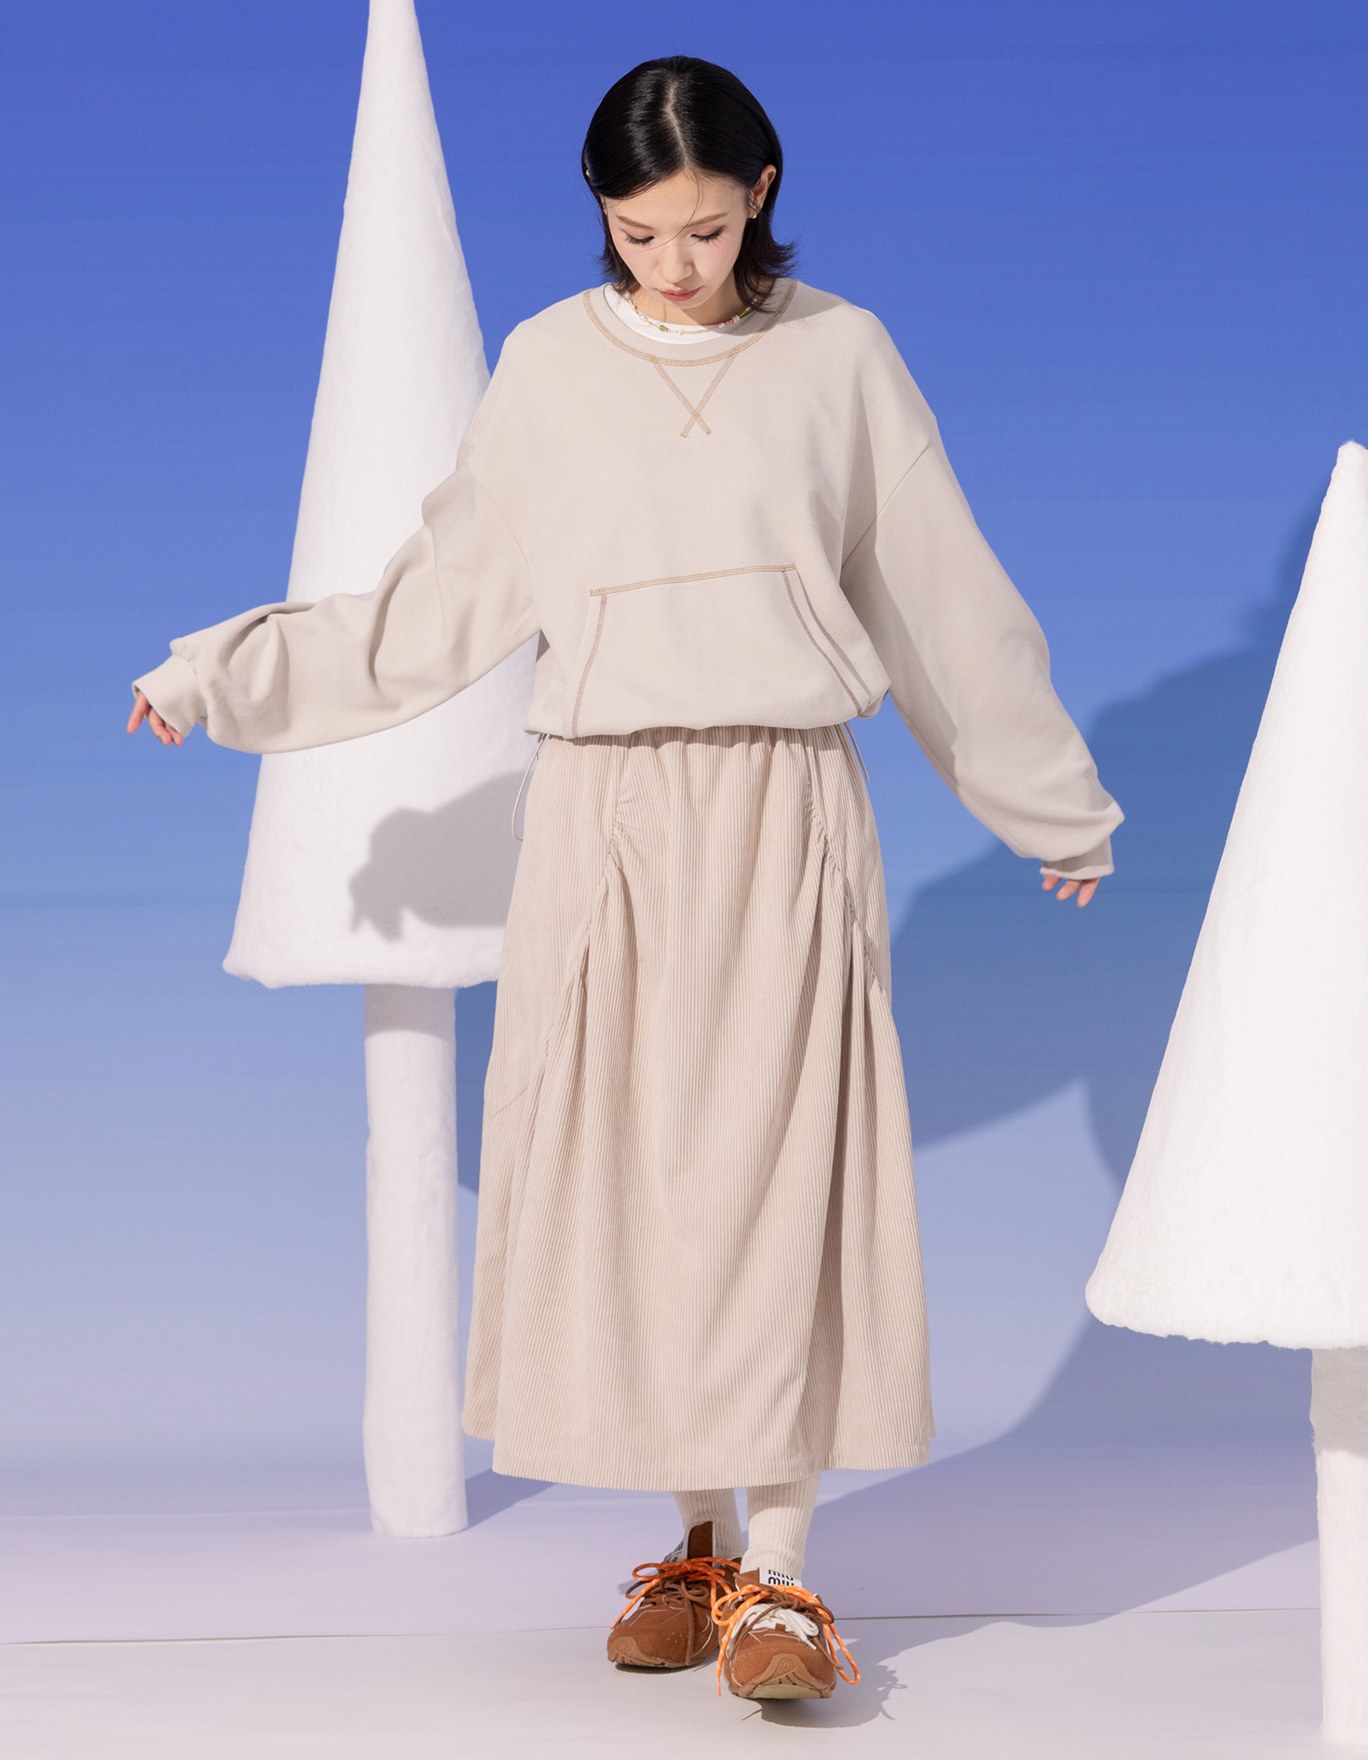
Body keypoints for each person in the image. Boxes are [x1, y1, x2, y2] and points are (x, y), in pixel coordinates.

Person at [127, 54, 1124, 1703]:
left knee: (778, 1171)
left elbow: (944, 597)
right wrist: (216, 676)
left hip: (781, 796)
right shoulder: (547, 368)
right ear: (601, 213)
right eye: (640, 231)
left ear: (764, 194)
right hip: (602, 812)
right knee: (642, 1178)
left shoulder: (841, 357)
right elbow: (430, 609)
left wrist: (1050, 808)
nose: (674, 263)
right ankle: (701, 1548)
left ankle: (786, 1579)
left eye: (707, 229)